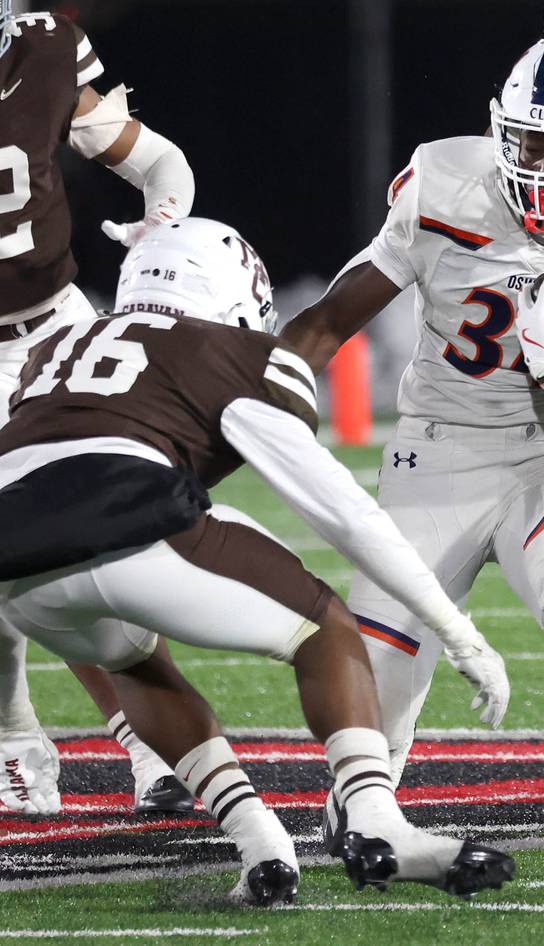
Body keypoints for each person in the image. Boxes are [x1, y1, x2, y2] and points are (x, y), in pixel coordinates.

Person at [281, 31, 544, 883]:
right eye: (531, 143)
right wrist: (252, 402)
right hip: (432, 453)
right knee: (382, 680)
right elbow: (325, 321)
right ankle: (362, 809)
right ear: (499, 129)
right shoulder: (445, 182)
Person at [0, 217, 514, 905]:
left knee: (134, 663)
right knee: (323, 627)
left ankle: (261, 845)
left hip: (20, 574)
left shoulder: (54, 347)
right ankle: (376, 821)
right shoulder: (225, 349)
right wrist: (456, 629)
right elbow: (341, 510)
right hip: (125, 509)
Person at [0, 3, 197, 814]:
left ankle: (151, 742)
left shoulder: (41, 45)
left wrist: (162, 234)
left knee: (108, 542)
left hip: (60, 332)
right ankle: (15, 738)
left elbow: (158, 162)